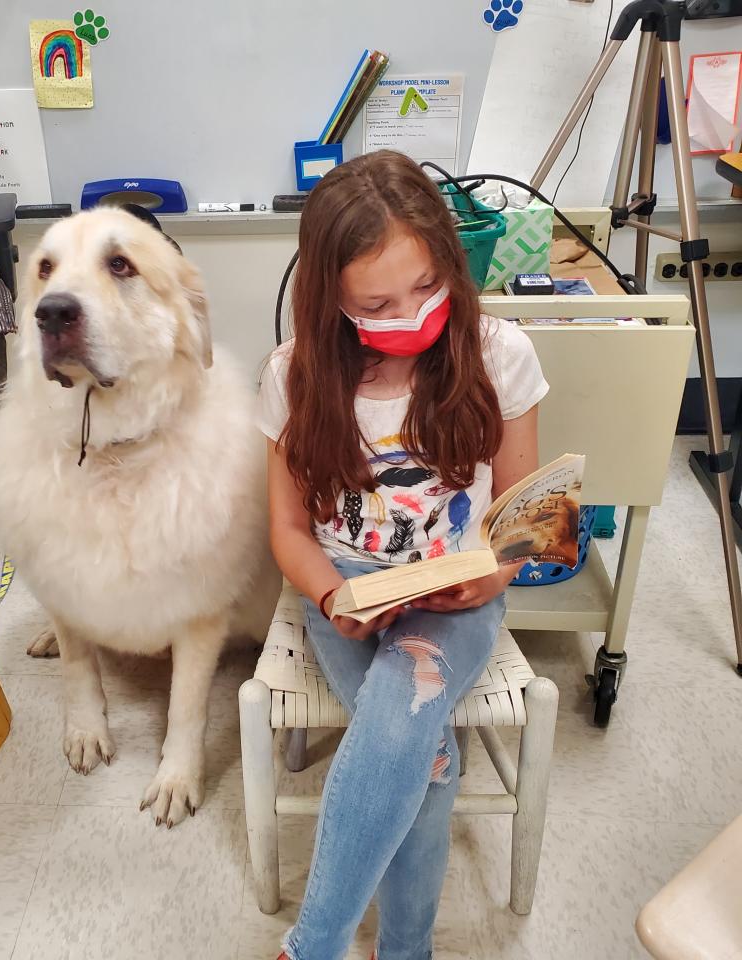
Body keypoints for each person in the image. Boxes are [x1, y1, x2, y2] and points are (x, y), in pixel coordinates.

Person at [258, 150, 549, 960]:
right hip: (346, 587)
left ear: (451, 264)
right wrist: (330, 597)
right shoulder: (295, 375)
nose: (411, 313)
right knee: (424, 758)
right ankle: (405, 953)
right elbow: (286, 528)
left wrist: (490, 572)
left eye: (426, 287)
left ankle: (312, 948)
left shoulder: (499, 354)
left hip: (459, 585)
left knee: (403, 716)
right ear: (332, 300)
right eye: (377, 303)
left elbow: (521, 518)